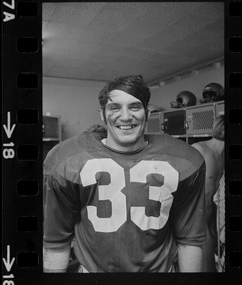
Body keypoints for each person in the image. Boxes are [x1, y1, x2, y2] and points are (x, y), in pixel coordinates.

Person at [43, 75, 207, 273]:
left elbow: (189, 241)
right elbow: (57, 243)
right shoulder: (67, 161)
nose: (126, 116)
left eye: (134, 107)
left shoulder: (183, 160)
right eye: (115, 107)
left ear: (146, 113)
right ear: (102, 115)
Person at [191, 115, 224, 272]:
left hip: (212, 211)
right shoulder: (199, 150)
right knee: (207, 264)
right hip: (196, 213)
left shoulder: (224, 156)